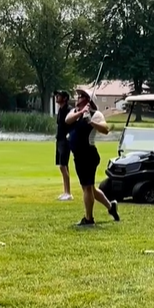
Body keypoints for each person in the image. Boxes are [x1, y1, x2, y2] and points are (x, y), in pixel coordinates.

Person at [65, 88, 120, 226]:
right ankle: (110, 207)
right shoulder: (76, 111)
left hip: (88, 155)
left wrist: (90, 121)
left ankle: (89, 218)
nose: (78, 98)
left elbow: (105, 129)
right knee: (90, 188)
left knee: (87, 188)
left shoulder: (96, 114)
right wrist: (81, 113)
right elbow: (67, 120)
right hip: (78, 155)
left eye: (81, 96)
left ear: (88, 100)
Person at [54, 90, 73, 201]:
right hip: (59, 139)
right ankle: (65, 191)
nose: (57, 97)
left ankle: (68, 193)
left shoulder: (69, 110)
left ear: (65, 98)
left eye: (59, 95)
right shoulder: (60, 110)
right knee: (63, 166)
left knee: (63, 166)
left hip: (65, 141)